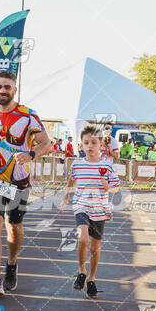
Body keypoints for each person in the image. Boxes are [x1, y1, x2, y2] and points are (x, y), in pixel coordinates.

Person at [0, 69, 51, 297]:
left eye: (6, 87)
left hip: (19, 181)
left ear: (14, 90)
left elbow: (47, 143)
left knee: (13, 227)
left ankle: (12, 263)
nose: (2, 91)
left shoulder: (28, 115)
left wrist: (32, 154)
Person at [60, 126, 120, 299]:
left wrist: (108, 187)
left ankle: (92, 280)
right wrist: (65, 198)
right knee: (83, 238)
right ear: (81, 145)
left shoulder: (107, 165)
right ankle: (81, 271)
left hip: (99, 209)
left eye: (94, 142)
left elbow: (116, 187)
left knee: (94, 248)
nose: (90, 146)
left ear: (101, 144)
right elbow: (71, 179)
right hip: (81, 205)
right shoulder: (77, 163)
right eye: (86, 143)